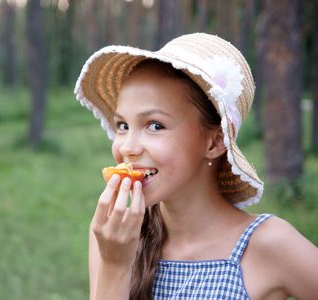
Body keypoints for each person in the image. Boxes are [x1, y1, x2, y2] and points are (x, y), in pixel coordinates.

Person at [73, 33, 318, 300]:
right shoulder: (113, 236)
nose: (128, 147)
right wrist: (114, 267)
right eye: (123, 125)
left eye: (155, 125)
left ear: (214, 142)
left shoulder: (269, 244)